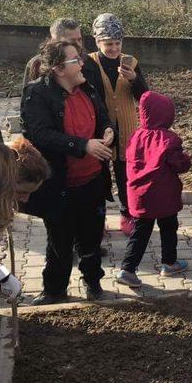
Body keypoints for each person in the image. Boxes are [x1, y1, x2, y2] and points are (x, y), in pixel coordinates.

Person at [21, 39, 115, 305]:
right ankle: (54, 289)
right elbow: (41, 134)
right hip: (60, 183)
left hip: (92, 179)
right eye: (76, 60)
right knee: (59, 240)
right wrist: (83, 145)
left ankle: (93, 282)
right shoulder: (37, 93)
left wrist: (108, 130)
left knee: (91, 236)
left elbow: (103, 116)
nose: (82, 63)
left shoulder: (87, 85)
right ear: (60, 69)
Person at [116, 91, 191, 287]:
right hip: (164, 197)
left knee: (140, 233)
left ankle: (128, 269)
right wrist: (186, 159)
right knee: (168, 228)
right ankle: (169, 262)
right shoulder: (169, 140)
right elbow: (179, 164)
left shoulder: (136, 136)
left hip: (140, 196)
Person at [89, 13, 149, 236]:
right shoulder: (89, 62)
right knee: (98, 176)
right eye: (108, 44)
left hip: (127, 130)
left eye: (117, 43)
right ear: (97, 42)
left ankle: (127, 215)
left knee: (126, 176)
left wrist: (134, 79)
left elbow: (144, 96)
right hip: (99, 131)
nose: (113, 48)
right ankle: (98, 218)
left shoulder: (131, 62)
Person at [22, 18, 104, 98]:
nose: (78, 45)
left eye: (79, 39)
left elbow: (100, 101)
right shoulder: (37, 65)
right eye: (72, 42)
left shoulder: (89, 63)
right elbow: (28, 102)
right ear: (55, 41)